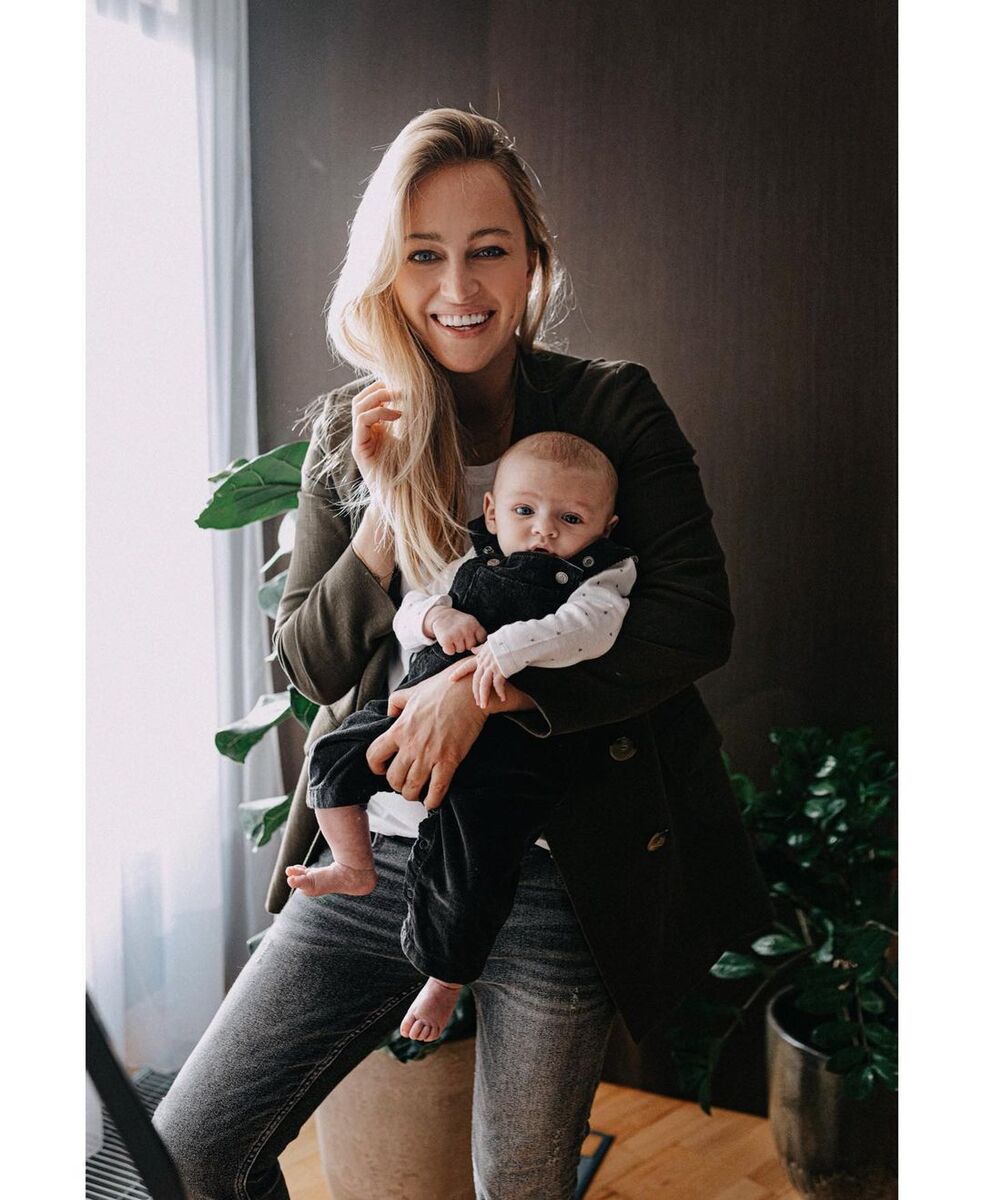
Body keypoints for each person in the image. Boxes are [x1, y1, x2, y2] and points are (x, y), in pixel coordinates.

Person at [154, 107, 773, 1200]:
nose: (458, 286)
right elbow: (307, 666)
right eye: (422, 254)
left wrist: (484, 697)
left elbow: (693, 619)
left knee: (519, 1185)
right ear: (385, 272)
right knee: (189, 1154)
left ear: (531, 260)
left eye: (488, 249)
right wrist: (382, 515)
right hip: (376, 854)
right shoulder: (353, 429)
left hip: (555, 864)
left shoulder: (611, 406)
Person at [286, 432, 637, 1043]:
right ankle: (352, 863)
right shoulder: (472, 560)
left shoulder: (601, 578)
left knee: (472, 865)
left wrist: (501, 651)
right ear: (493, 512)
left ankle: (445, 978)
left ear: (605, 528)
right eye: (525, 510)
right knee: (332, 755)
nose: (544, 530)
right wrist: (436, 617)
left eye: (571, 519)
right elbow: (409, 610)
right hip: (408, 717)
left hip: (506, 756)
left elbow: (589, 632)